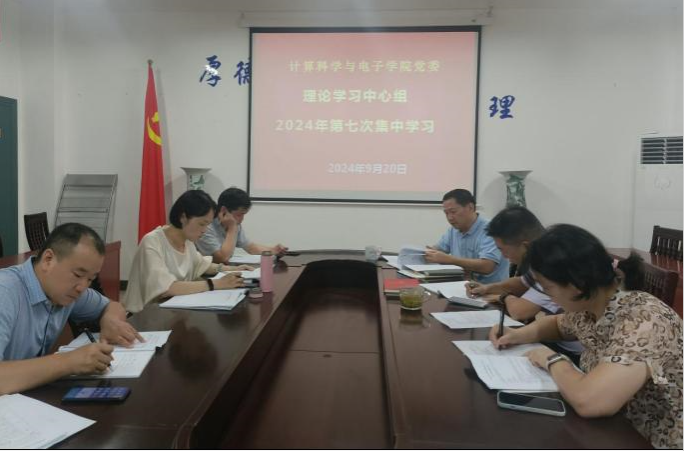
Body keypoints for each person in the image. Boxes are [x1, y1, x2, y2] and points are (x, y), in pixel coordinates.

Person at [489, 224, 682, 449]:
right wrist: (516, 335)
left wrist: (552, 359)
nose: (548, 296)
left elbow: (590, 401)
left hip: (652, 439)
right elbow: (558, 325)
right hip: (612, 427)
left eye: (548, 288)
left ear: (576, 285)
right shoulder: (593, 304)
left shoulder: (645, 321)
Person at [0, 223, 143, 395]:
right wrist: (69, 362)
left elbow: (112, 306)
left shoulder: (66, 290)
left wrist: (110, 320)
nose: (82, 287)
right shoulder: (5, 292)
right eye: (77, 275)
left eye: (90, 279)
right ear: (48, 260)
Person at [466, 206, 583, 359]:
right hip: (559, 338)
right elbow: (523, 282)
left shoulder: (554, 263)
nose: (503, 256)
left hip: (575, 352)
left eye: (502, 249)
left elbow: (520, 312)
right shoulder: (544, 254)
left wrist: (504, 297)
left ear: (525, 246)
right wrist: (488, 288)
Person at [123, 190, 252, 313]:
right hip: (145, 315)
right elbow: (167, 288)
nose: (205, 230)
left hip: (171, 309)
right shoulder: (152, 242)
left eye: (207, 225)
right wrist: (215, 284)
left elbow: (203, 265)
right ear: (183, 217)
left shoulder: (187, 242)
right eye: (202, 224)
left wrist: (233, 269)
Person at [425, 189, 508, 283]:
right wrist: (429, 253)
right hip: (461, 285)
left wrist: (450, 259)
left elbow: (487, 266)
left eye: (453, 212)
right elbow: (438, 250)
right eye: (446, 213)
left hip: (489, 289)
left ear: (470, 207)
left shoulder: (491, 229)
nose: (449, 218)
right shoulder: (453, 230)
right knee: (418, 286)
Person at [196, 187, 288, 263]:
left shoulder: (234, 224)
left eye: (244, 214)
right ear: (224, 211)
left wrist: (274, 250)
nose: (242, 219)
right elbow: (222, 258)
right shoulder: (206, 226)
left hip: (223, 270)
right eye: (239, 214)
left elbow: (250, 248)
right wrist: (232, 228)